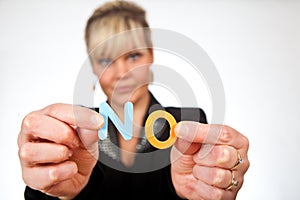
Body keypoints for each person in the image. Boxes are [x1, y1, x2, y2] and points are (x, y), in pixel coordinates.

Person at [18, 1, 249, 199]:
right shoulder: (74, 133)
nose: (121, 73)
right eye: (106, 60)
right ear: (93, 67)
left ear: (151, 55)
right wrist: (56, 192)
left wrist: (203, 189)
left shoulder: (186, 124)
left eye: (133, 55)